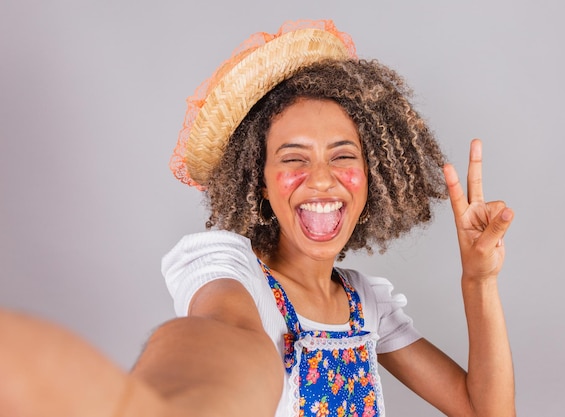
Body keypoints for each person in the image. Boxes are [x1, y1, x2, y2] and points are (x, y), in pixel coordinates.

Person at [0, 19, 515, 417]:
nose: (320, 179)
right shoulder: (236, 274)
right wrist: (171, 404)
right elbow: (223, 334)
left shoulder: (366, 304)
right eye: (293, 158)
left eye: (342, 156)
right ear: (259, 183)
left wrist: (479, 279)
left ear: (371, 175)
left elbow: (484, 409)